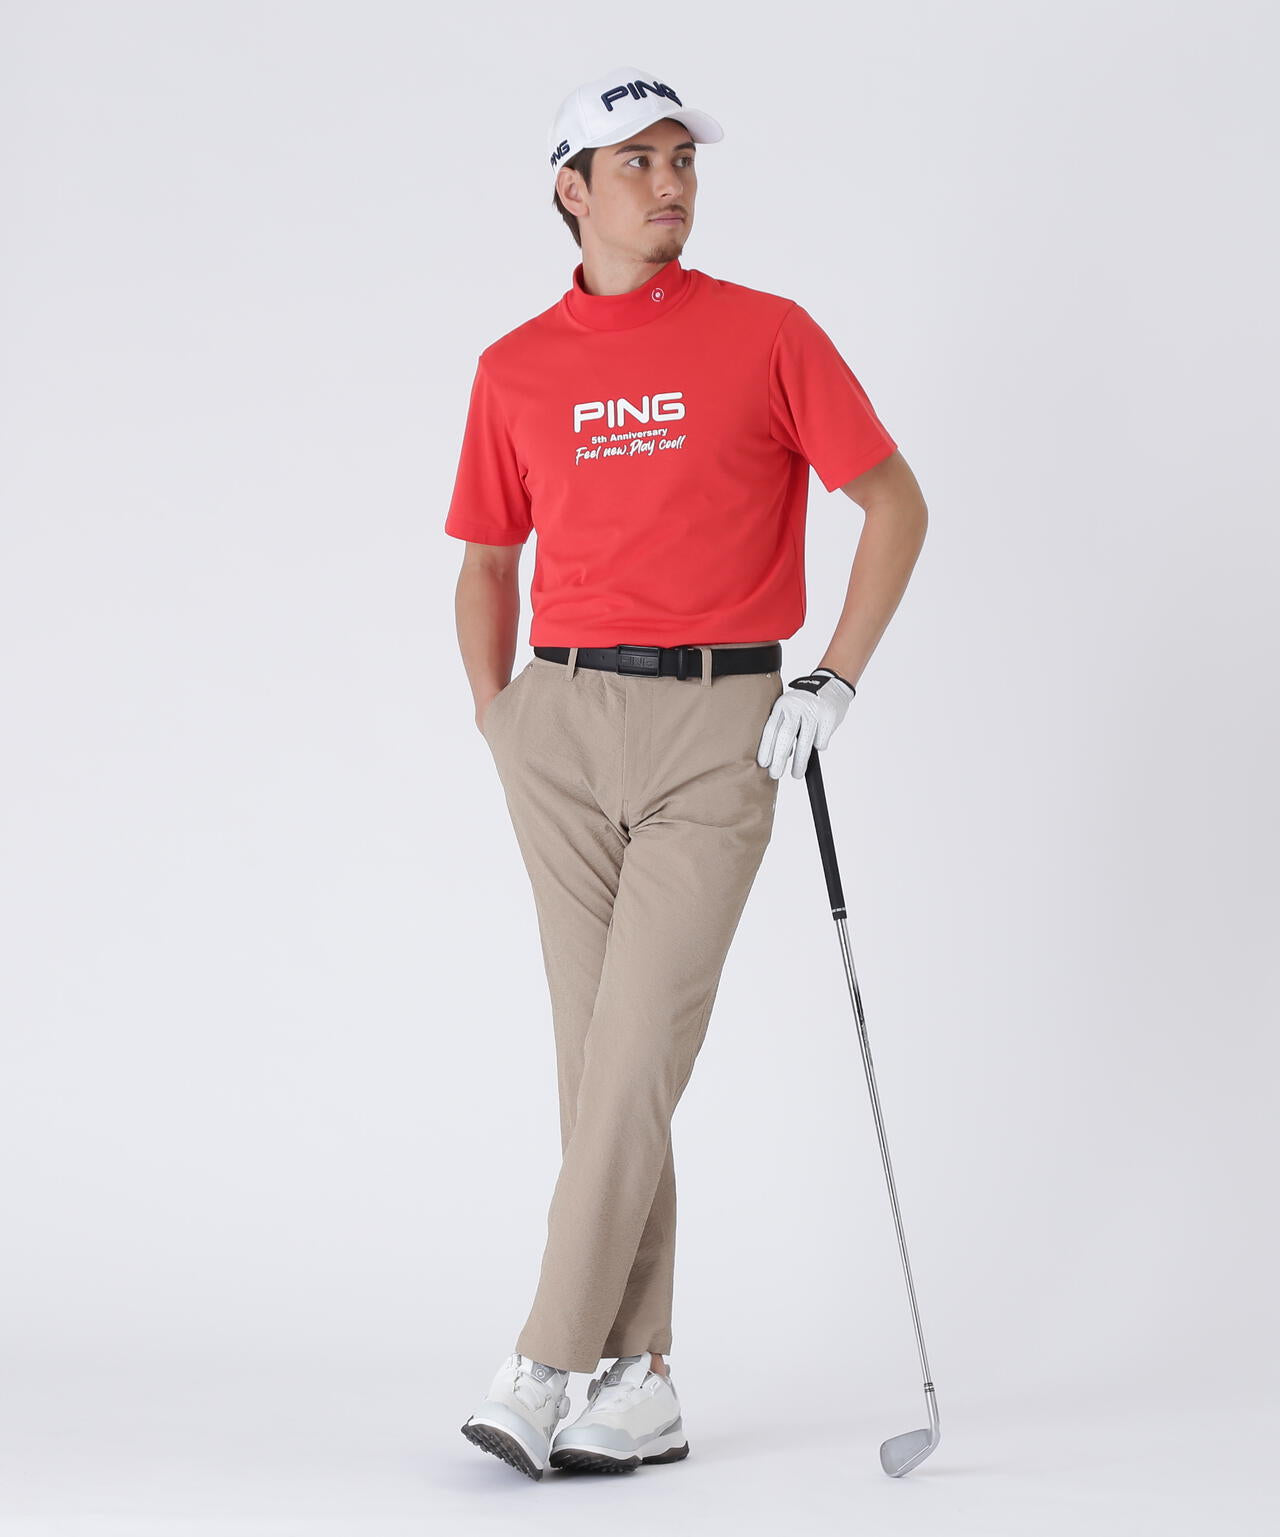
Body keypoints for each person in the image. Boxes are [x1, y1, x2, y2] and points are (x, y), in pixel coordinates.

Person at [448, 64, 928, 1481]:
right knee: (599, 1058)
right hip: (558, 726)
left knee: (633, 1049)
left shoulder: (767, 333)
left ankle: (546, 1359)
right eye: (637, 162)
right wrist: (500, 720)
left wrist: (834, 674)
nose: (671, 183)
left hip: (720, 726)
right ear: (571, 190)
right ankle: (640, 1377)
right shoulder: (513, 368)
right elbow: (485, 563)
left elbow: (894, 503)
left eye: (683, 160)